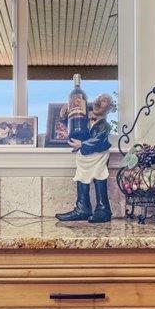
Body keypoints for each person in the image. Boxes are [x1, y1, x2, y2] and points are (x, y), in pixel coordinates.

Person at [56, 92, 117, 223]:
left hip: (98, 157)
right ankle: (82, 208)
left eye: (104, 100)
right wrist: (63, 117)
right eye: (98, 98)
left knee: (99, 179)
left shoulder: (105, 126)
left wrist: (82, 144)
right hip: (84, 156)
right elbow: (73, 129)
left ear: (110, 107)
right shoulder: (84, 119)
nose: (99, 101)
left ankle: (103, 210)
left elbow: (99, 140)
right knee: (81, 178)